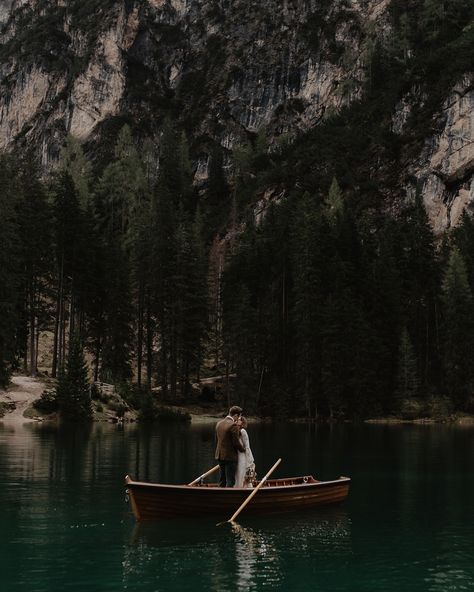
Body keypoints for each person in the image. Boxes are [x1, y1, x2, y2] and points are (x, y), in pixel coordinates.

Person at [215, 405, 245, 487]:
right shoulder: (233, 425)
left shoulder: (219, 423)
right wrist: (243, 450)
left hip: (220, 455)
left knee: (222, 480)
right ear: (235, 415)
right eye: (239, 417)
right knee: (230, 481)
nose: (238, 419)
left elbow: (217, 440)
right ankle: (228, 497)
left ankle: (220, 496)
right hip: (230, 457)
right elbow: (235, 442)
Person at [234, 416, 255, 488]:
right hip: (237, 455)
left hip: (243, 456)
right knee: (237, 473)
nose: (237, 421)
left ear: (242, 422)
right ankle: (237, 487)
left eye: (239, 420)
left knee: (242, 472)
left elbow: (247, 447)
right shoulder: (236, 431)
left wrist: (249, 460)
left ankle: (243, 487)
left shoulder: (243, 431)